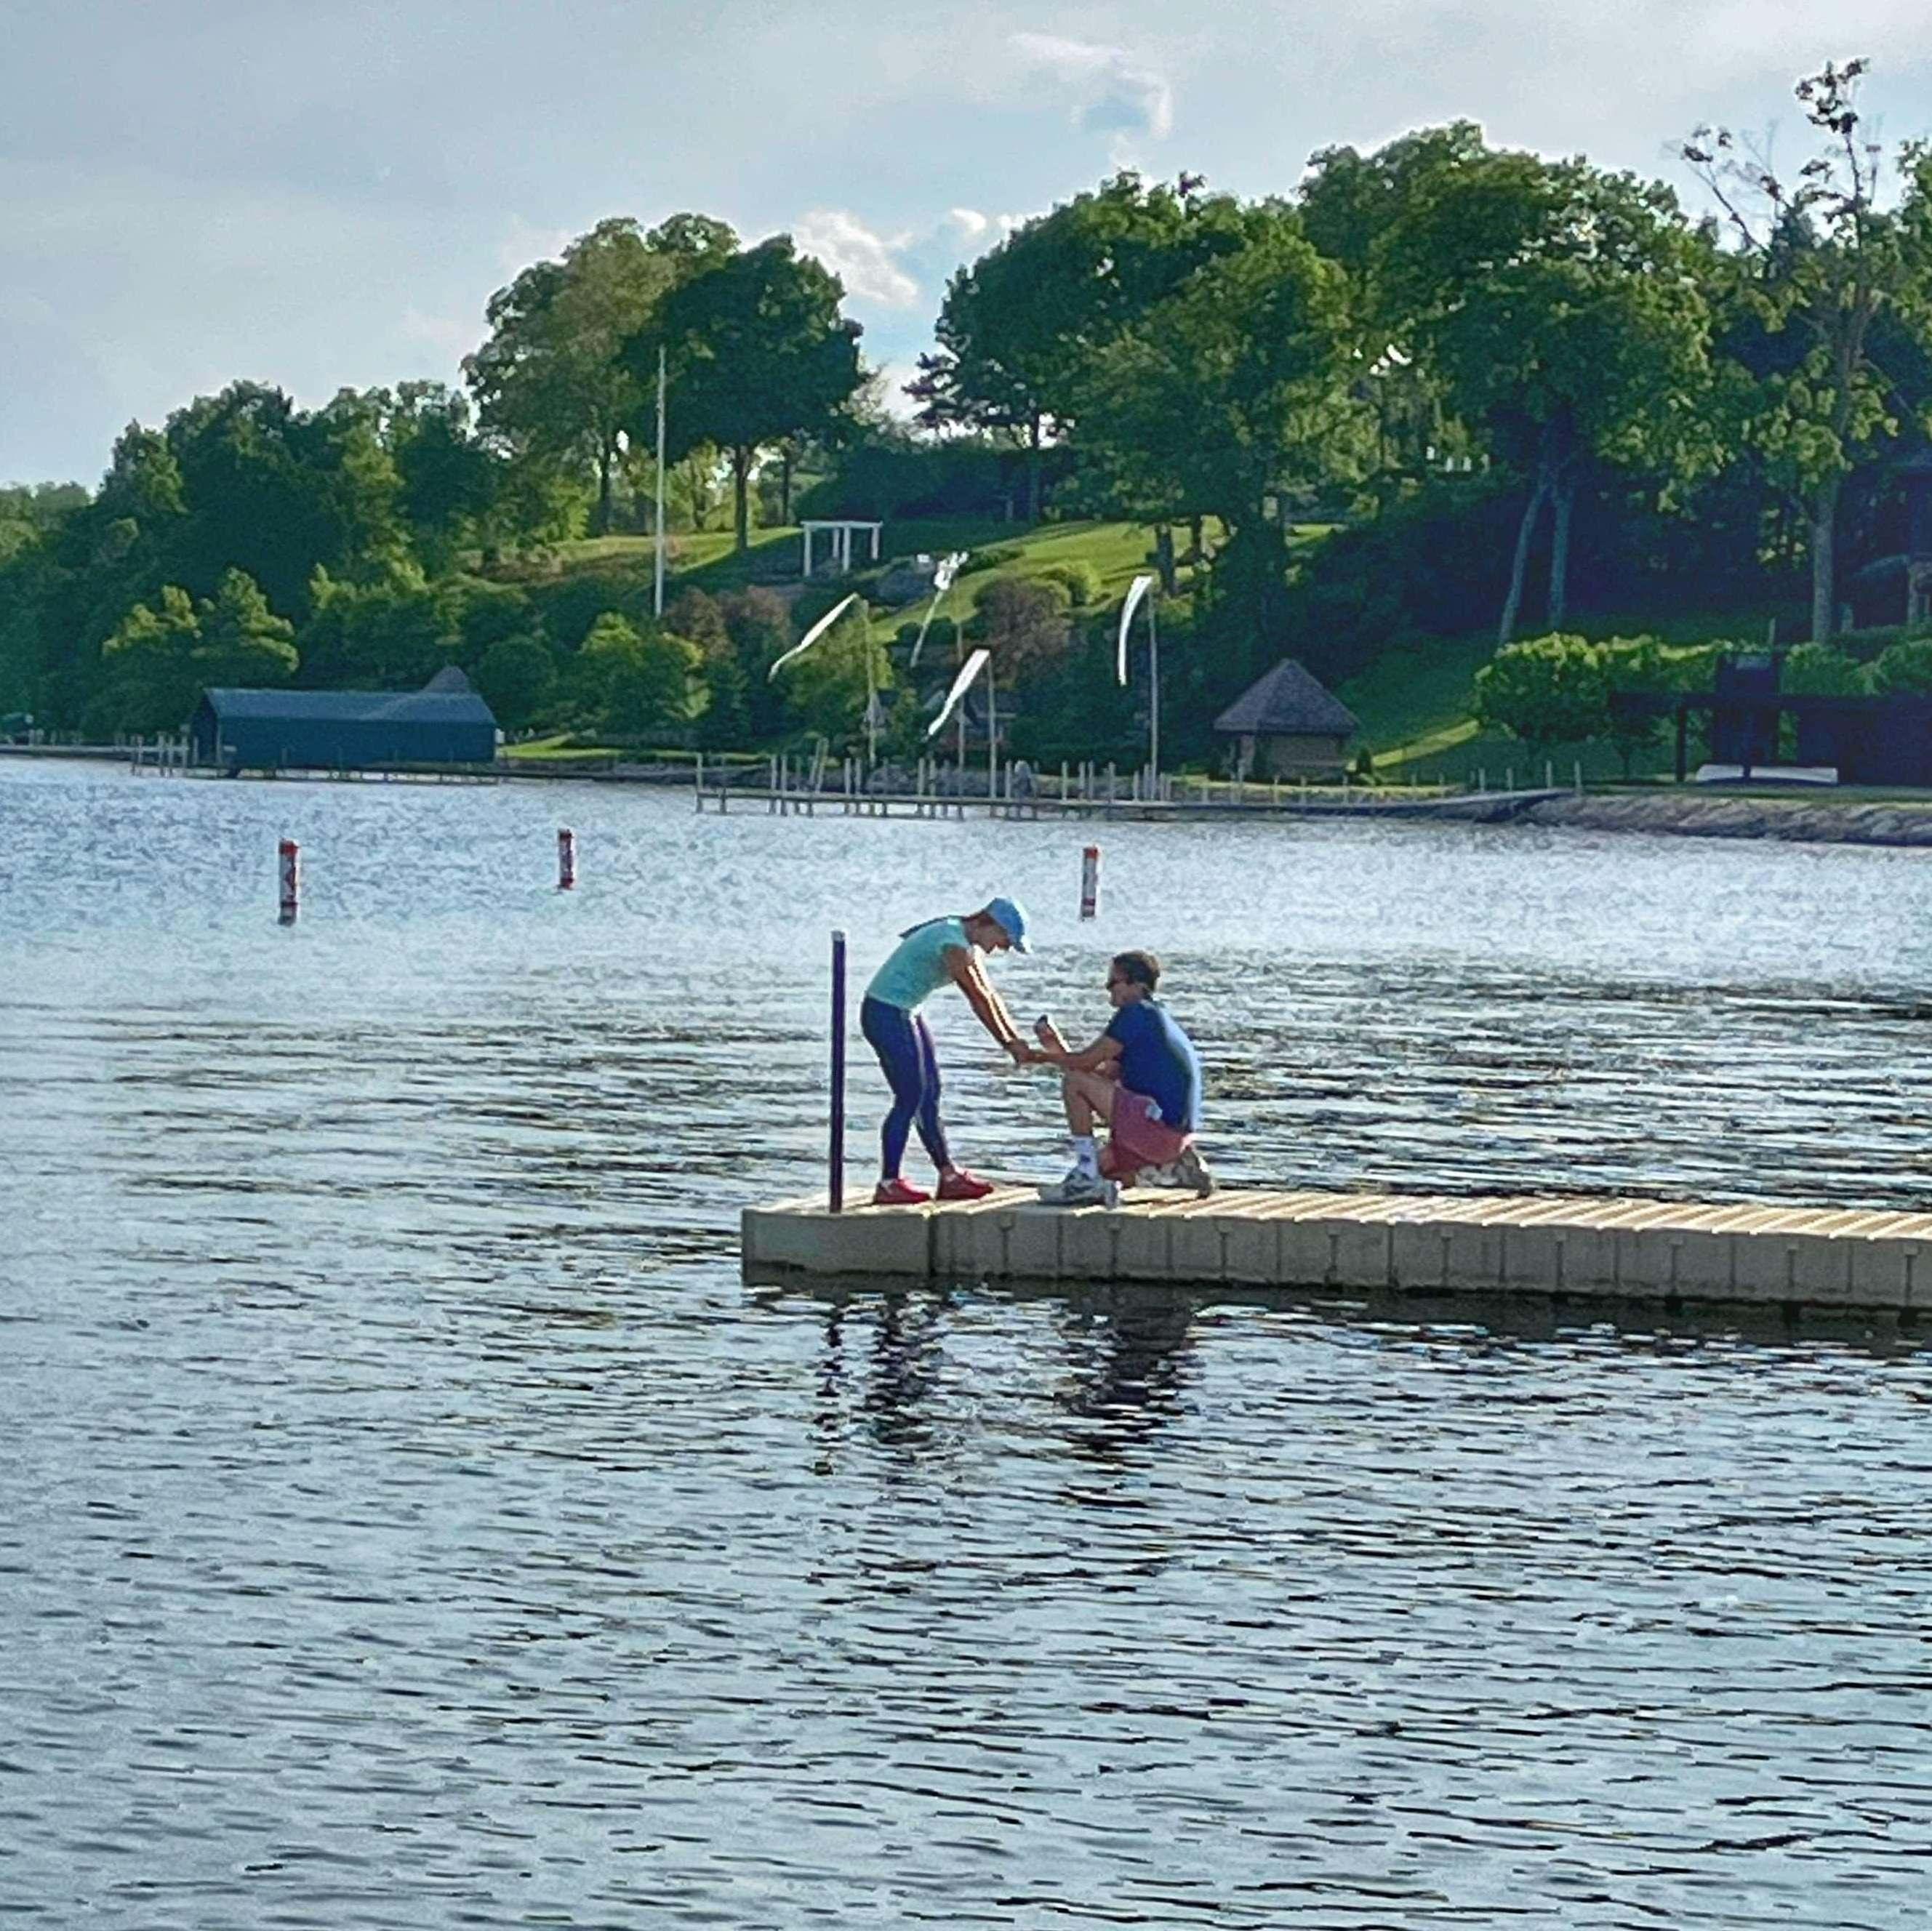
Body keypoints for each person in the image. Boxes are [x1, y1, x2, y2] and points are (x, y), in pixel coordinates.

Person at [860, 898, 1035, 1206]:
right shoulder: (953, 943)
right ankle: (888, 1183)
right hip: (886, 1013)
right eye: (1003, 940)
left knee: (930, 1095)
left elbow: (990, 995)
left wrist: (1014, 1039)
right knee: (910, 1097)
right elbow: (977, 998)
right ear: (988, 923)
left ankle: (949, 1176)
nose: (1001, 948)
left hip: (907, 1011)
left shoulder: (964, 939)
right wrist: (1008, 1044)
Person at [1032, 949, 1210, 1207]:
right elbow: (1101, 1074)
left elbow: (1083, 1068)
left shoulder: (1134, 1014)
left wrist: (1037, 1056)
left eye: (1113, 982)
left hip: (1156, 1131)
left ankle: (1086, 1176)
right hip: (1173, 1136)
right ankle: (1173, 1170)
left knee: (1073, 1083)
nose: (1108, 989)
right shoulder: (1155, 1016)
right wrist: (1055, 1047)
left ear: (1137, 985)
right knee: (1106, 1167)